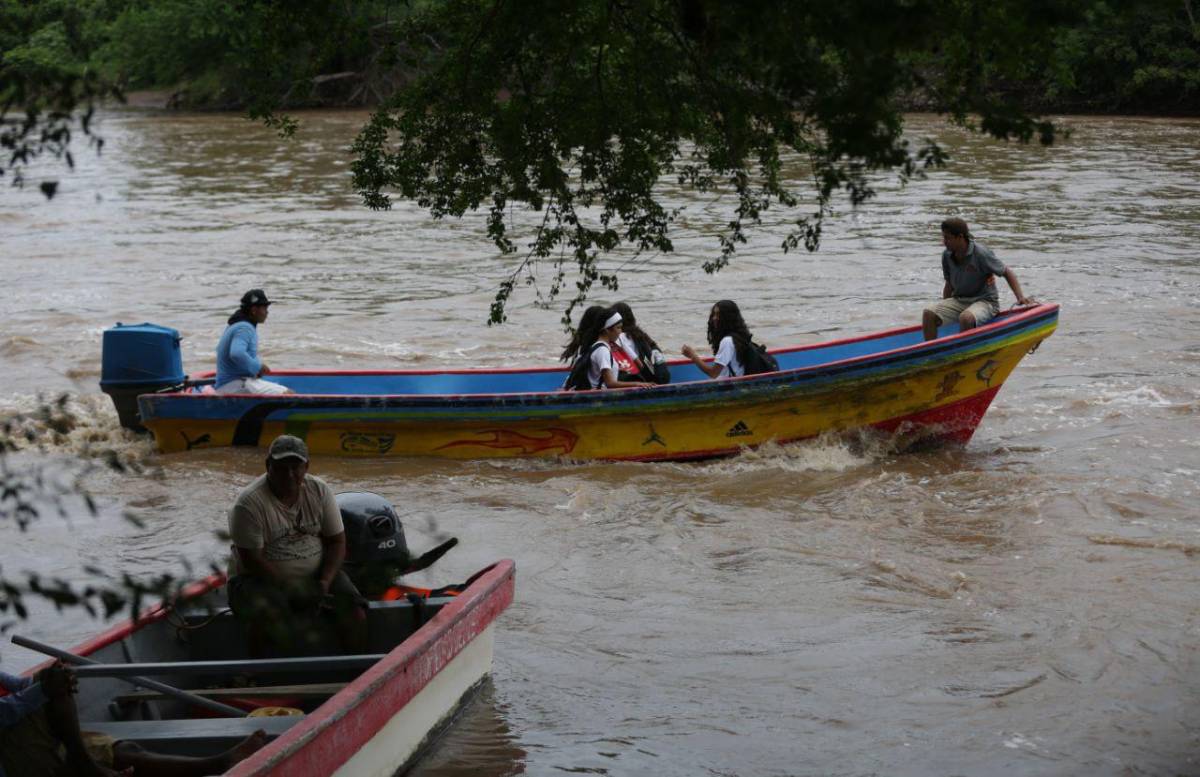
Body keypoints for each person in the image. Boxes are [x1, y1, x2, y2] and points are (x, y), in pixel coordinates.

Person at [227, 435, 368, 656]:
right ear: (268, 466)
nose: (289, 475)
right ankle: (254, 674)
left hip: (316, 574)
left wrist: (325, 581)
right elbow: (252, 560)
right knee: (268, 614)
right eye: (281, 468)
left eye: (296, 467)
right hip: (256, 578)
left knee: (355, 610)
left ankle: (356, 671)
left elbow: (337, 541)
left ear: (307, 467)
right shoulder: (248, 504)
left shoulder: (319, 490)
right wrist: (293, 590)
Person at [0, 662, 266, 777]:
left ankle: (217, 764)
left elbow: (19, 686)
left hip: (19, 737)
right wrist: (48, 688)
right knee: (48, 684)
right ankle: (84, 765)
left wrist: (52, 681)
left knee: (127, 751)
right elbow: (7, 712)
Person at [922, 218, 1032, 341]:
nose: (944, 242)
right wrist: (944, 312)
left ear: (960, 237)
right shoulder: (947, 255)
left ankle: (964, 353)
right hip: (960, 300)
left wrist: (1020, 297)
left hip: (985, 302)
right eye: (944, 238)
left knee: (966, 318)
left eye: (947, 238)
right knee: (928, 314)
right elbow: (949, 284)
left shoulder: (980, 254)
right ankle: (932, 353)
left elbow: (1007, 272)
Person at [214, 289, 291, 394]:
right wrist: (257, 367)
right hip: (234, 384)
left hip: (228, 384)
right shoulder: (244, 328)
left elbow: (220, 350)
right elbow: (237, 354)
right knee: (288, 393)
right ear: (254, 310)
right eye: (264, 308)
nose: (267, 312)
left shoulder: (235, 324)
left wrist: (252, 369)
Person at [560, 306, 650, 390]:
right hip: (598, 394)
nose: (621, 332)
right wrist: (636, 384)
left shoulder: (594, 346)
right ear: (607, 330)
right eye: (618, 328)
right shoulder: (603, 350)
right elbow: (610, 383)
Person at [682, 300, 759, 379]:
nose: (714, 318)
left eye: (719, 315)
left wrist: (693, 356)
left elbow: (713, 373)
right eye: (714, 314)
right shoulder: (739, 336)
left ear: (729, 317)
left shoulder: (727, 341)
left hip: (729, 385)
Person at [610, 302, 670, 384]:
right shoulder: (639, 334)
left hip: (637, 378)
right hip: (650, 375)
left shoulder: (620, 337)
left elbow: (636, 362)